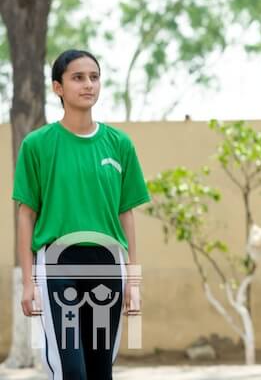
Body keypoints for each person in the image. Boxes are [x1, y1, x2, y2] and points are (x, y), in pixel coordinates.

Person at [13, 49, 150, 380]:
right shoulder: (37, 145)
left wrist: (133, 280)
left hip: (107, 263)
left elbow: (126, 214)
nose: (88, 84)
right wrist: (29, 283)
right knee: (71, 370)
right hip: (58, 264)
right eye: (78, 77)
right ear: (58, 88)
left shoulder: (119, 144)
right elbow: (25, 215)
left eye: (94, 77)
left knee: (101, 370)